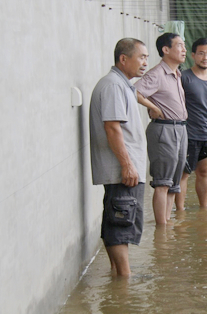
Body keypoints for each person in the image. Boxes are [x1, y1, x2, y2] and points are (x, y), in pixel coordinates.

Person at [89, 38, 149, 277]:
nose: (145, 62)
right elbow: (112, 127)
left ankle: (118, 274)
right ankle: (124, 279)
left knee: (118, 219)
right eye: (141, 57)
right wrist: (127, 165)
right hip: (122, 171)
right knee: (121, 221)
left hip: (124, 169)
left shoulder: (121, 84)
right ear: (123, 59)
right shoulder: (113, 85)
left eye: (146, 57)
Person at [134, 33, 188, 225]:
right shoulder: (157, 73)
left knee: (174, 184)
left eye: (184, 45)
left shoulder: (177, 73)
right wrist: (154, 107)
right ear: (166, 50)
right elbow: (134, 92)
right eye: (179, 45)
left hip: (180, 129)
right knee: (163, 182)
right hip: (164, 130)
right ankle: (161, 230)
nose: (184, 49)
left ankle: (165, 224)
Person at [177, 37, 207, 210]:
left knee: (204, 172)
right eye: (201, 53)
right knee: (184, 174)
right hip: (188, 135)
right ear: (193, 55)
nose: (205, 57)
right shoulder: (183, 77)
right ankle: (180, 212)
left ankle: (204, 210)